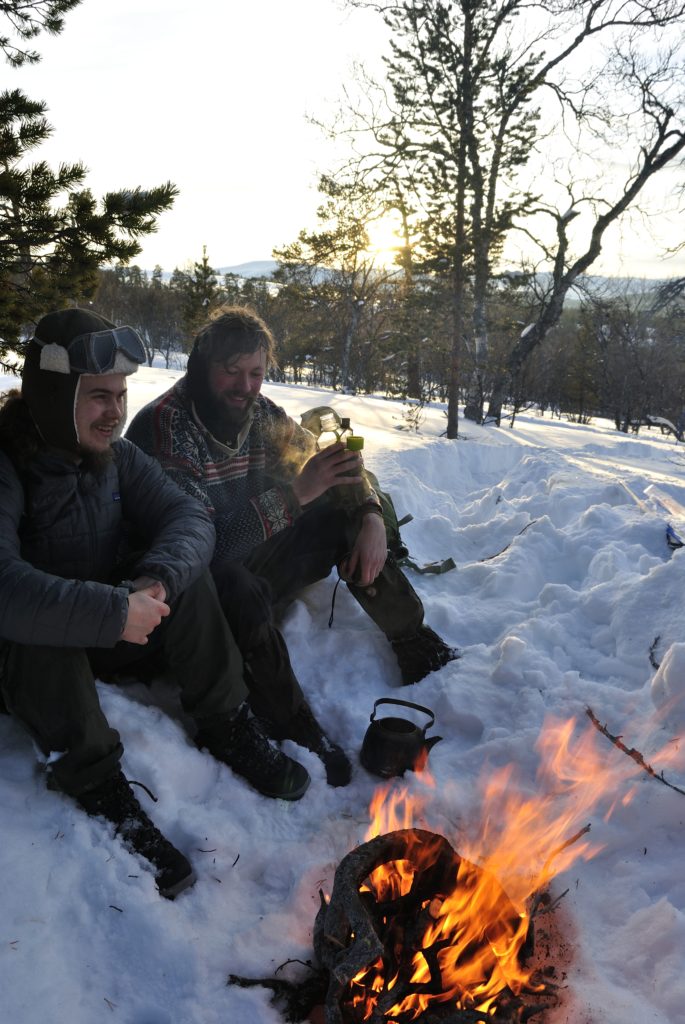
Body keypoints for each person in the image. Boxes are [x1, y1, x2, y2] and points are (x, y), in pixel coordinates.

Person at [0, 308, 311, 901]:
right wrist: (111, 611)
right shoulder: (7, 463)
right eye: (96, 397)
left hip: (106, 629)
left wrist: (158, 581)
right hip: (26, 661)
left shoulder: (114, 456)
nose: (114, 412)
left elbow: (189, 517)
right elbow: (5, 586)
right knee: (41, 627)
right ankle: (98, 784)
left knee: (188, 580)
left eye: (119, 395)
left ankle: (226, 723)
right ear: (53, 392)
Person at [127, 307, 458, 771]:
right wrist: (298, 493)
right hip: (191, 597)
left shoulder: (259, 413)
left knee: (338, 516)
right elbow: (199, 546)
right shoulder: (166, 427)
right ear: (203, 367)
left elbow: (331, 465)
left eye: (256, 373)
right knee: (235, 581)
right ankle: (293, 722)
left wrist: (368, 514)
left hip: (255, 561)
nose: (245, 386)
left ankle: (413, 640)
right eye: (232, 372)